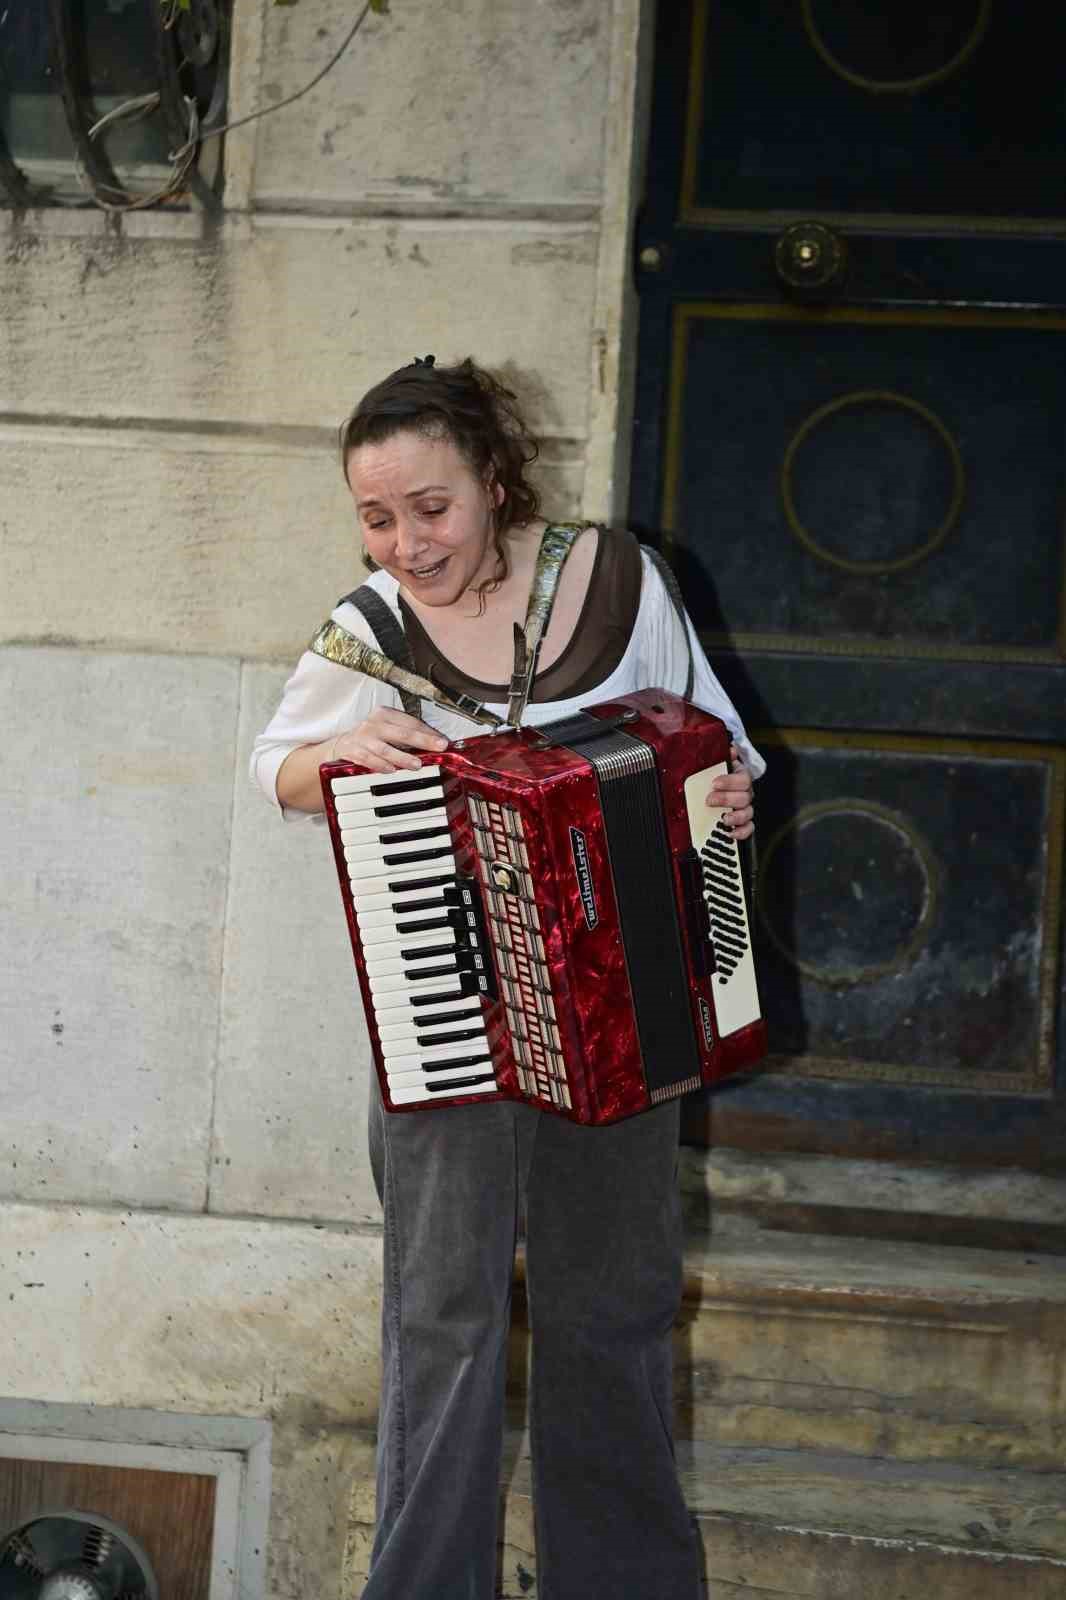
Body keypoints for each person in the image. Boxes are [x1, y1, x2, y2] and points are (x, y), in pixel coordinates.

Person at [251, 356, 763, 1600]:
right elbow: (270, 766)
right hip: (449, 1014)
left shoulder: (623, 581)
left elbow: (717, 741)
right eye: (376, 516)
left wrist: (728, 800)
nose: (404, 542)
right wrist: (334, 752)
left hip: (620, 1022)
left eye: (429, 507)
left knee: (615, 1312)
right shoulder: (368, 630)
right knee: (445, 1323)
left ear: (492, 478)